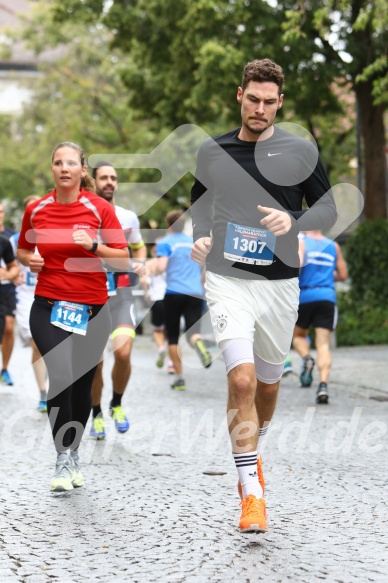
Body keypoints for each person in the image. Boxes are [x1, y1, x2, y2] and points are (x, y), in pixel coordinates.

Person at [190, 58, 337, 533]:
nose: (260, 109)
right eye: (253, 99)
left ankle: (253, 454)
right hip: (227, 278)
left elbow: (330, 208)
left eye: (269, 102)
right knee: (243, 382)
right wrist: (199, 236)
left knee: (270, 386)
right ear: (239, 95)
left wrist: (295, 222)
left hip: (279, 283)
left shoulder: (299, 151)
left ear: (280, 103)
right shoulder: (213, 151)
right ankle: (250, 490)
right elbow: (201, 202)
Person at [17, 142, 129, 492]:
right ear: (52, 169)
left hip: (92, 309)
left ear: (83, 171)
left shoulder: (99, 210)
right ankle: (62, 457)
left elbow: (123, 261)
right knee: (61, 375)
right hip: (48, 305)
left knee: (82, 387)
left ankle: (73, 451)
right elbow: (22, 248)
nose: (63, 168)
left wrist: (94, 246)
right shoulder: (37, 209)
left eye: (70, 163)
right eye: (57, 162)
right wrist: (28, 260)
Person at [89, 162, 146, 440]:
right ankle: (96, 413)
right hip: (91, 296)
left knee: (123, 353)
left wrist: (140, 264)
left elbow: (137, 245)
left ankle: (117, 404)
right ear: (94, 181)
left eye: (113, 178)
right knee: (95, 363)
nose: (109, 182)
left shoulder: (128, 217)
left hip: (121, 295)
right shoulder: (83, 213)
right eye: (104, 178)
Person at [155, 210, 212, 391]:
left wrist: (156, 268)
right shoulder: (193, 243)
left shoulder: (165, 243)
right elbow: (205, 268)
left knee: (172, 337)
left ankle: (179, 378)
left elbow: (161, 267)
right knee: (192, 332)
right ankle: (199, 343)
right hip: (195, 292)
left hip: (173, 292)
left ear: (169, 224)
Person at [292, 230, 348, 404]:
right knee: (323, 344)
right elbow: (343, 275)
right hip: (326, 297)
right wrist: (327, 277)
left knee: (298, 336)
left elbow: (298, 267)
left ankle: (307, 358)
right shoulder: (333, 246)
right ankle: (323, 384)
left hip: (305, 296)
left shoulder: (301, 242)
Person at [10, 195, 48, 412]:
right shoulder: (15, 240)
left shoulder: (53, 233)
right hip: (26, 297)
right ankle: (43, 393)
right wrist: (14, 273)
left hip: (52, 293)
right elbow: (9, 263)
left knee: (52, 346)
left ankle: (50, 378)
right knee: (37, 343)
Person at [141, 241, 176, 373]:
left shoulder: (150, 263)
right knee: (171, 332)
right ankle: (171, 363)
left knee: (157, 330)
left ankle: (161, 349)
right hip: (170, 297)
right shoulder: (171, 262)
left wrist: (146, 293)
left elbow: (144, 280)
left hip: (156, 298)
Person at [0, 201, 17, 385]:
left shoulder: (10, 238)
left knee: (9, 328)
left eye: (1, 212)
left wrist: (8, 274)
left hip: (8, 289)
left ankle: (5, 368)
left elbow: (16, 267)